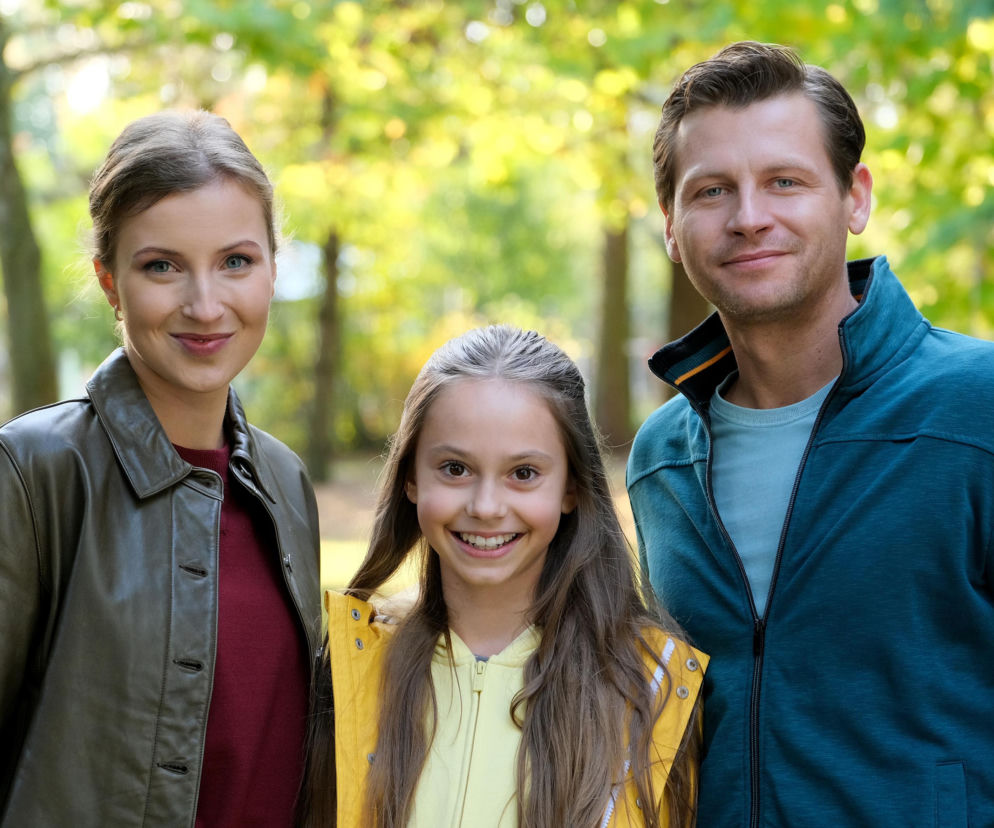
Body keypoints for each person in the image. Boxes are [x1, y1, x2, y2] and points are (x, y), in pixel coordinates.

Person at [627, 40, 994, 826]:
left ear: (853, 197)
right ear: (670, 224)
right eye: (712, 191)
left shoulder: (978, 408)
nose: (749, 217)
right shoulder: (662, 457)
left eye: (784, 182)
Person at [0, 110, 321, 826]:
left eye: (236, 261)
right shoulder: (30, 473)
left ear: (272, 267)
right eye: (162, 266)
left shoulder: (288, 484)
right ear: (110, 281)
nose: (205, 306)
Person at [298, 324, 708, 827]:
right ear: (410, 478)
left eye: (523, 473)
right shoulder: (349, 665)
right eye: (454, 468)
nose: (487, 507)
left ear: (572, 489)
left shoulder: (650, 688)